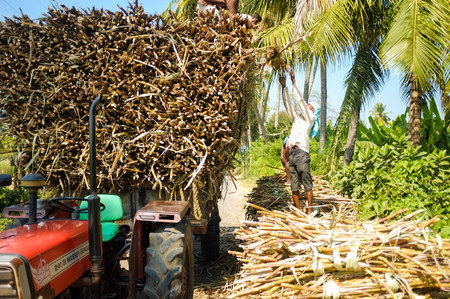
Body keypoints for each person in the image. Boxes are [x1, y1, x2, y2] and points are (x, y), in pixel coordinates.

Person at [280, 75, 319, 215]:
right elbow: (289, 106)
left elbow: (301, 102)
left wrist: (294, 82)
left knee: (307, 183)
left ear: (312, 109)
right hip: (292, 153)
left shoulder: (310, 118)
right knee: (294, 185)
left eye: (309, 105)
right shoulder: (298, 119)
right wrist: (284, 87)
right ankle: (297, 209)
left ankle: (309, 211)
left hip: (302, 153)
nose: (306, 104)